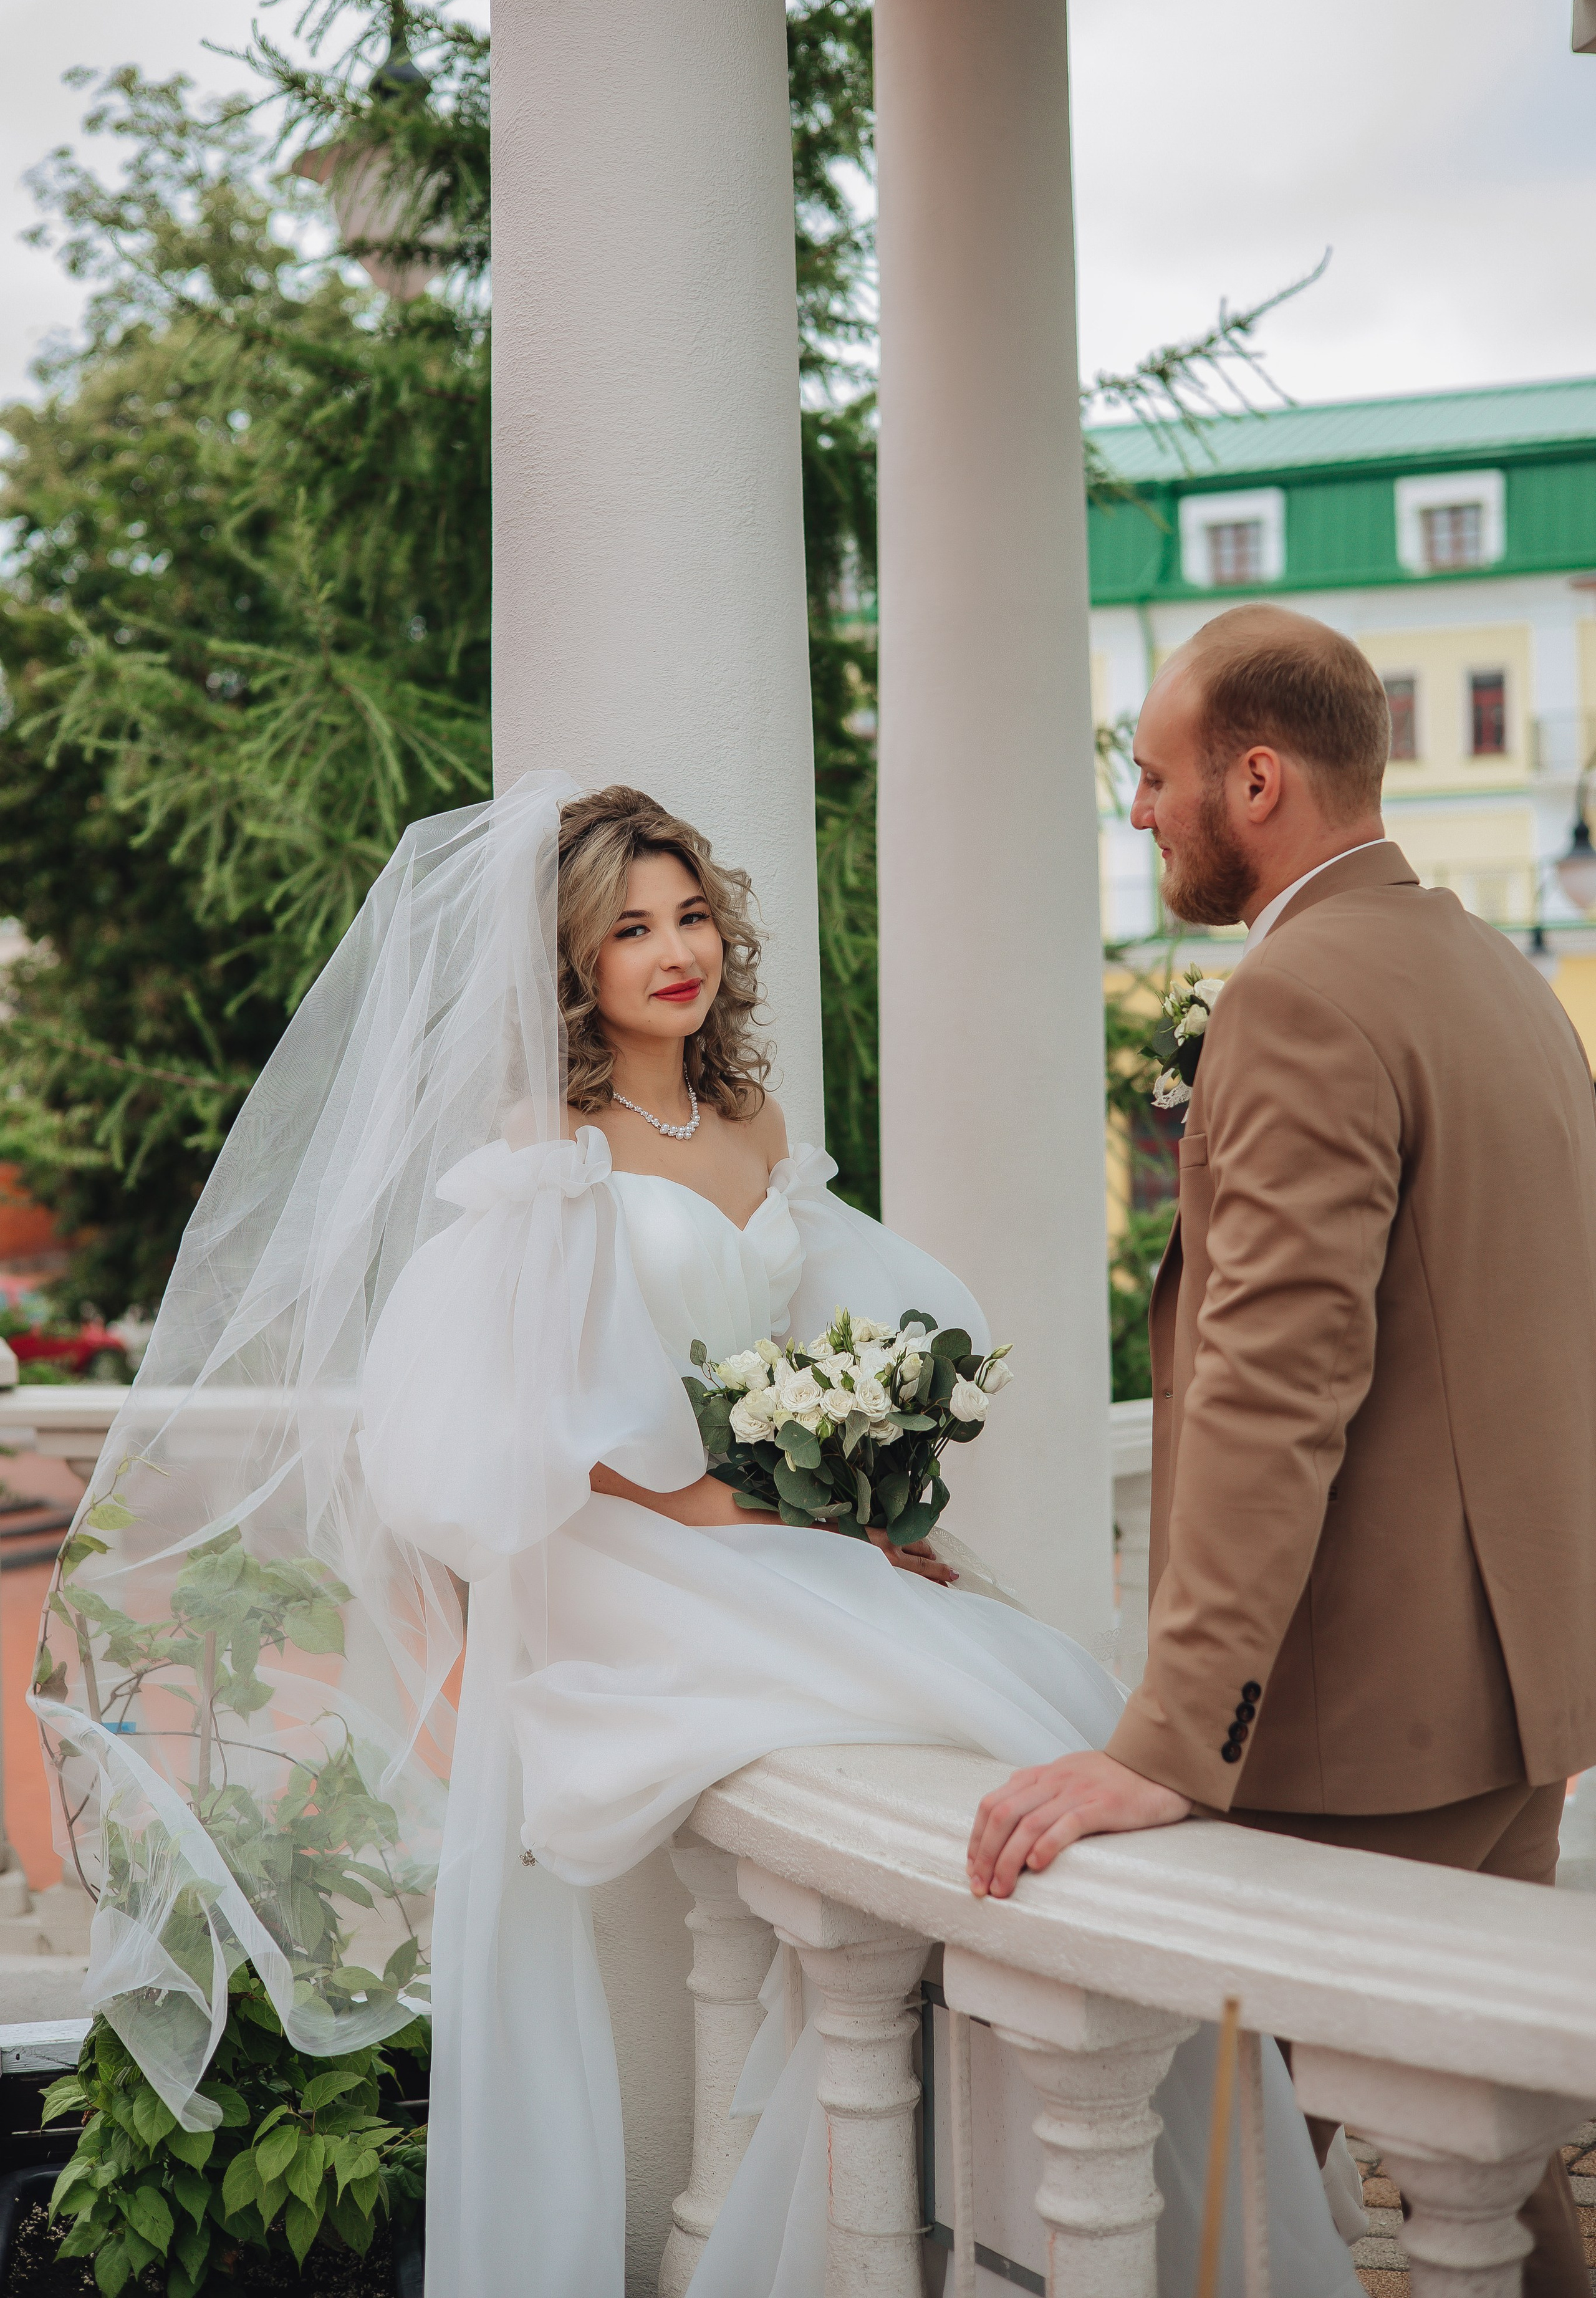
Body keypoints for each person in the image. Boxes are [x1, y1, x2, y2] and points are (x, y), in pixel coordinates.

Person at [37, 774, 1357, 2298]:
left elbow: (811, 1345)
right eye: (627, 930)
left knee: (1045, 1685)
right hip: (620, 1562)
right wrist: (687, 1497)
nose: (674, 951)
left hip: (754, 1531)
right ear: (570, 966)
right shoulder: (549, 1139)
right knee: (1009, 1701)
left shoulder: (749, 1118)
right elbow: (480, 1415)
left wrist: (860, 1506)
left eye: (687, 917)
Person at [967, 602, 1596, 2297]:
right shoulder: (1499, 979)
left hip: (1362, 1723)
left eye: (1159, 780)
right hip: (1519, 1694)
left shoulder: (1304, 996)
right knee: (1498, 2150)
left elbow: (1275, 1379)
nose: (1144, 816)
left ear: (1260, 780)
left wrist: (1172, 1733)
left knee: (1225, 2187)